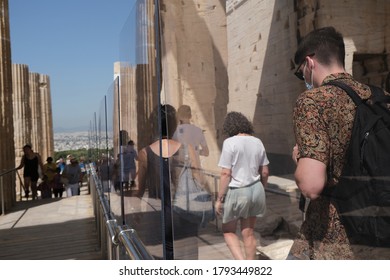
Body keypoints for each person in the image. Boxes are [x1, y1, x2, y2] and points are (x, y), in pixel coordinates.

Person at [289, 26, 390, 259]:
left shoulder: (313, 102)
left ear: (309, 62)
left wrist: (300, 158)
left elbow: (310, 186)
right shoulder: (378, 97)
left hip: (334, 233)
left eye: (300, 72)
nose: (303, 78)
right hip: (377, 225)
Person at [137, 104, 201, 260]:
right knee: (188, 258)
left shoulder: (145, 153)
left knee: (159, 258)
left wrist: (137, 211)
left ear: (153, 125)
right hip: (184, 208)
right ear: (174, 124)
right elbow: (199, 177)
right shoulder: (187, 147)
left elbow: (140, 188)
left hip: (157, 211)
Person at [215, 112, 269, 260]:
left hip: (238, 191)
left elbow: (226, 173)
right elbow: (264, 172)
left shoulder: (230, 142)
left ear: (229, 127)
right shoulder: (257, 142)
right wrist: (261, 189)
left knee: (228, 231)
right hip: (256, 188)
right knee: (248, 232)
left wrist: (219, 198)